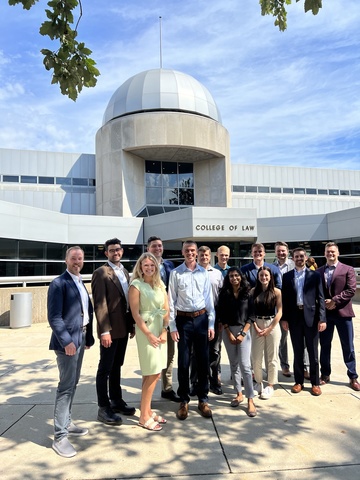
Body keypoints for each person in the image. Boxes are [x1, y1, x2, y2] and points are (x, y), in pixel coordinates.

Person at [48, 246, 95, 458]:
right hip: (67, 342)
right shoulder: (59, 283)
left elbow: (86, 311)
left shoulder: (79, 280)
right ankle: (59, 436)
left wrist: (88, 336)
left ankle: (67, 422)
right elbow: (55, 317)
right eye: (73, 258)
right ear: (66, 260)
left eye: (80, 258)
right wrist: (66, 341)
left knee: (73, 382)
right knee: (65, 387)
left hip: (80, 338)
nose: (77, 261)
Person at [168, 240, 215, 421]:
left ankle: (203, 399)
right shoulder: (175, 273)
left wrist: (210, 324)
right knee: (184, 361)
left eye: (192, 250)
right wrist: (172, 326)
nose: (190, 253)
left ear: (196, 253)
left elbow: (209, 300)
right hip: (183, 321)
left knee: (203, 361)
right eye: (187, 250)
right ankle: (184, 400)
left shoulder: (203, 273)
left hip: (201, 319)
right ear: (183, 252)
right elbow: (170, 301)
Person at [91, 238, 135, 426]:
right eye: (111, 250)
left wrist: (131, 325)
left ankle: (116, 401)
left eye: (117, 249)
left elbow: (127, 301)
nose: (115, 252)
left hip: (123, 327)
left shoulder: (124, 271)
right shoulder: (101, 273)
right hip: (110, 330)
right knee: (105, 369)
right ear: (106, 253)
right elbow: (100, 304)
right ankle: (103, 407)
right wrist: (104, 332)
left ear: (122, 251)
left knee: (117, 366)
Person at [129, 252, 169, 431]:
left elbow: (166, 309)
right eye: (146, 265)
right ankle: (143, 417)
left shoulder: (160, 284)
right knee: (152, 372)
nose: (149, 268)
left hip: (159, 330)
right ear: (140, 267)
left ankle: (147, 409)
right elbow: (136, 314)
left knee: (154, 373)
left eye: (152, 265)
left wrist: (163, 331)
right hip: (146, 331)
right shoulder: (136, 285)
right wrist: (149, 334)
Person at [281, 247, 326, 396]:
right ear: (292, 258)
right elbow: (285, 300)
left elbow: (320, 298)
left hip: (311, 318)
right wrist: (284, 319)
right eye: (296, 256)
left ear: (306, 258)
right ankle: (298, 382)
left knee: (313, 353)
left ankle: (315, 383)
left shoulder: (315, 275)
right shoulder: (286, 277)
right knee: (298, 350)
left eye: (301, 256)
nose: (299, 258)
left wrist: (322, 319)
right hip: (294, 318)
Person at [317, 242, 360, 391]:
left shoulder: (347, 269)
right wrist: (325, 303)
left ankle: (353, 376)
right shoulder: (319, 271)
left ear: (338, 253)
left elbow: (351, 290)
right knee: (324, 346)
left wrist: (334, 300)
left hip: (343, 314)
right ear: (324, 253)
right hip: (325, 316)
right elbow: (317, 292)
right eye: (328, 252)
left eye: (333, 252)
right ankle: (325, 374)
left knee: (348, 346)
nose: (330, 254)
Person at [217, 267, 257, 416]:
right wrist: (228, 332)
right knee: (234, 364)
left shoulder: (248, 293)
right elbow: (222, 314)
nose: (234, 278)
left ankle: (250, 399)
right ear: (228, 278)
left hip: (243, 331)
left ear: (241, 277)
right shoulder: (224, 294)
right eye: (231, 276)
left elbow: (251, 316)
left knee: (245, 366)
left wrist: (242, 333)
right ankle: (238, 393)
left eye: (237, 275)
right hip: (229, 332)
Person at [147, 235, 180, 402]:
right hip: (151, 318)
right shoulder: (143, 266)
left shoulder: (169, 266)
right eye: (154, 246)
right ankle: (148, 393)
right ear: (148, 249)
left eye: (160, 246)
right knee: (152, 356)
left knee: (169, 354)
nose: (157, 249)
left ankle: (166, 389)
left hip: (167, 317)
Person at [191, 246, 223, 395]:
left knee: (214, 351)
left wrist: (222, 319)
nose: (204, 257)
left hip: (214, 314)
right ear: (197, 256)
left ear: (210, 257)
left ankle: (214, 382)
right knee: (195, 352)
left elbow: (222, 297)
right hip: (197, 315)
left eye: (206, 254)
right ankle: (195, 383)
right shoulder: (192, 272)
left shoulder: (217, 274)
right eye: (201, 254)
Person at [250, 266, 282, 400]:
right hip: (256, 324)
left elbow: (280, 311)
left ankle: (270, 385)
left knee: (272, 357)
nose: (264, 278)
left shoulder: (276, 292)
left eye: (266, 275)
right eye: (261, 275)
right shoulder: (252, 292)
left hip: (272, 324)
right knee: (256, 357)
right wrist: (256, 326)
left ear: (270, 277)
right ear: (258, 277)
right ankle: (258, 382)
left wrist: (270, 328)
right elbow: (250, 311)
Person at [273, 241, 295, 378]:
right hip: (279, 308)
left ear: (288, 251)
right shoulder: (271, 267)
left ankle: (304, 366)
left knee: (300, 340)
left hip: (294, 308)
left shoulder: (295, 265)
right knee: (282, 339)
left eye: (283, 251)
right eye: (278, 251)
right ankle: (284, 365)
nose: (281, 253)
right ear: (275, 252)